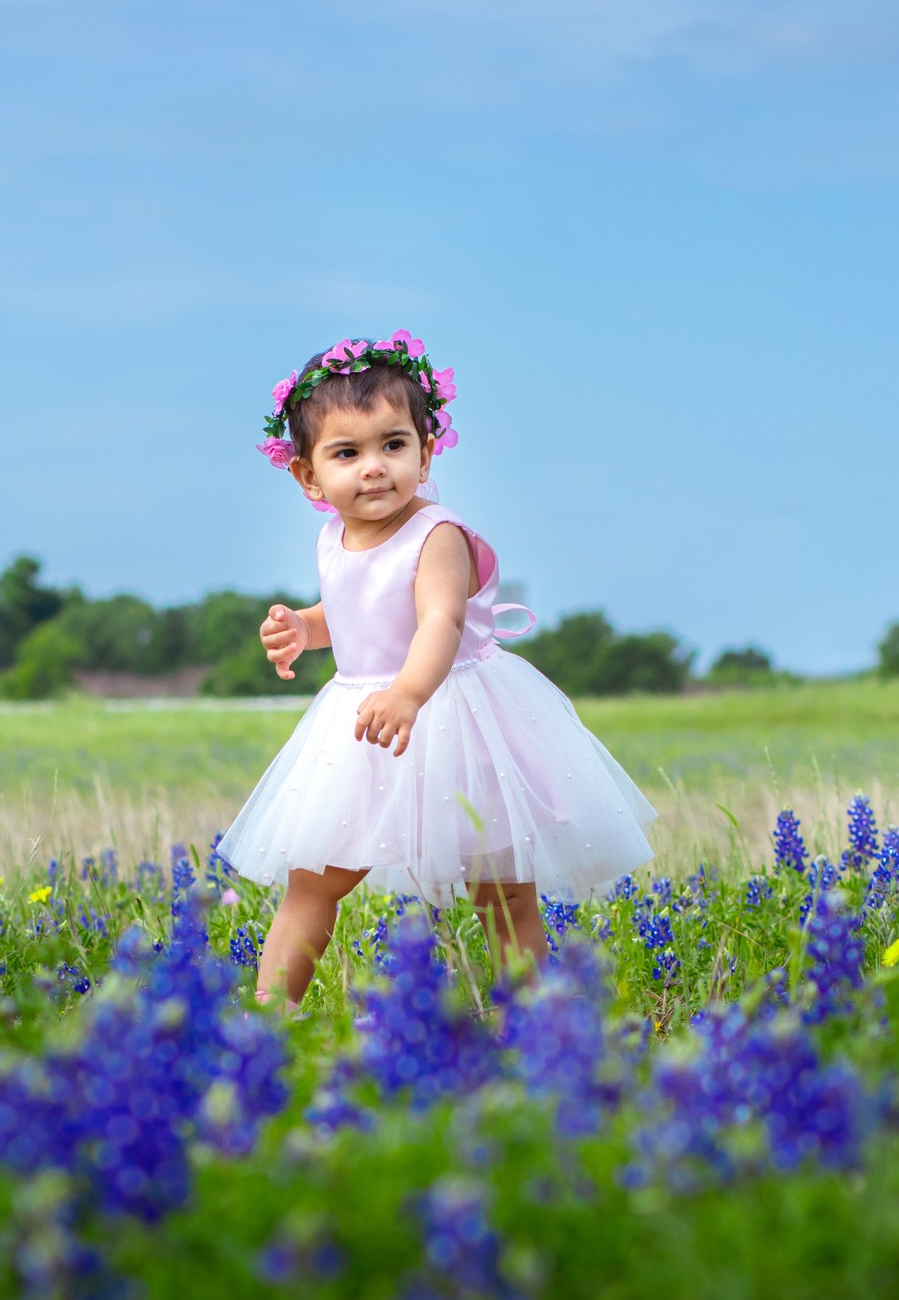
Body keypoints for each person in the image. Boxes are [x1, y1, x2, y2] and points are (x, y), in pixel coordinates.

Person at [218, 332, 655, 1007]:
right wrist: (305, 628)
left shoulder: (438, 535)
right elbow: (360, 610)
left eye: (393, 444)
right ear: (308, 476)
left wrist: (409, 692)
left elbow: (437, 624)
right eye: (347, 453)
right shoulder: (334, 536)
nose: (374, 468)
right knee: (312, 879)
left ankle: (538, 1028)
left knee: (502, 893)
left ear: (427, 451)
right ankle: (268, 1017)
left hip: (455, 715)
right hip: (364, 722)